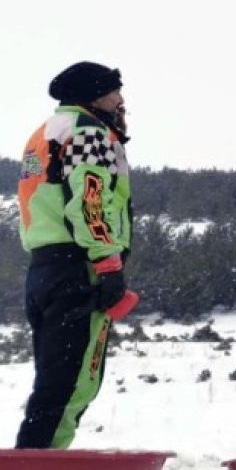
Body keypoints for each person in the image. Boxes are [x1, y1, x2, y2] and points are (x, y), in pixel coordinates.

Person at [15, 61, 137, 449]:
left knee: (52, 387)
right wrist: (108, 263)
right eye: (114, 91)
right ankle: (40, 462)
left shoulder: (44, 132)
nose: (121, 100)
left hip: (44, 268)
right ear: (93, 95)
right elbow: (89, 200)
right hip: (79, 268)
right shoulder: (89, 132)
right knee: (72, 386)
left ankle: (31, 457)